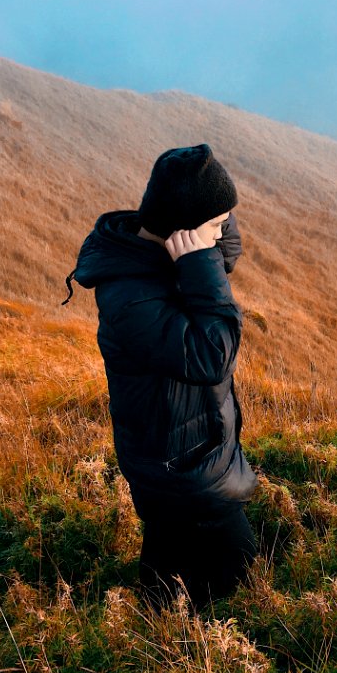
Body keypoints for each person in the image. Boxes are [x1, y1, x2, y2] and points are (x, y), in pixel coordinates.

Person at [61, 143, 260, 613]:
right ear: (184, 232)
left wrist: (210, 225)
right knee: (241, 587)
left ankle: (153, 612)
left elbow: (227, 250)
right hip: (183, 472)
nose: (224, 234)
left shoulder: (159, 251)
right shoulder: (132, 298)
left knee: (167, 565)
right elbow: (214, 354)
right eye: (215, 224)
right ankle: (161, 646)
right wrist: (199, 260)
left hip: (189, 454)